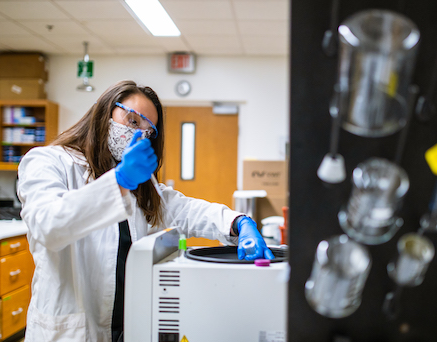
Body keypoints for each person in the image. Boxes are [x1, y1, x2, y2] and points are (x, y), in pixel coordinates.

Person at [17, 80, 274, 342]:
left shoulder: (141, 187)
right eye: (132, 121)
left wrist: (239, 222)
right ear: (105, 112)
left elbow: (187, 210)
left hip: (126, 327)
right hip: (71, 332)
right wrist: (119, 181)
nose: (139, 134)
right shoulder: (49, 162)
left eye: (149, 131)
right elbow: (47, 226)